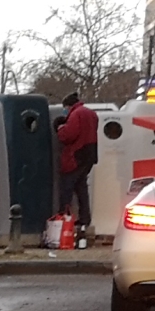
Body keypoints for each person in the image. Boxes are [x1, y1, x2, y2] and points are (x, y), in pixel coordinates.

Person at [55, 92, 99, 231]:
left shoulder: (76, 114)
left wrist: (60, 128)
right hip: (89, 155)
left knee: (66, 187)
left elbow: (69, 135)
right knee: (81, 188)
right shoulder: (91, 114)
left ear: (68, 105)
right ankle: (84, 219)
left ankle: (63, 218)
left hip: (76, 155)